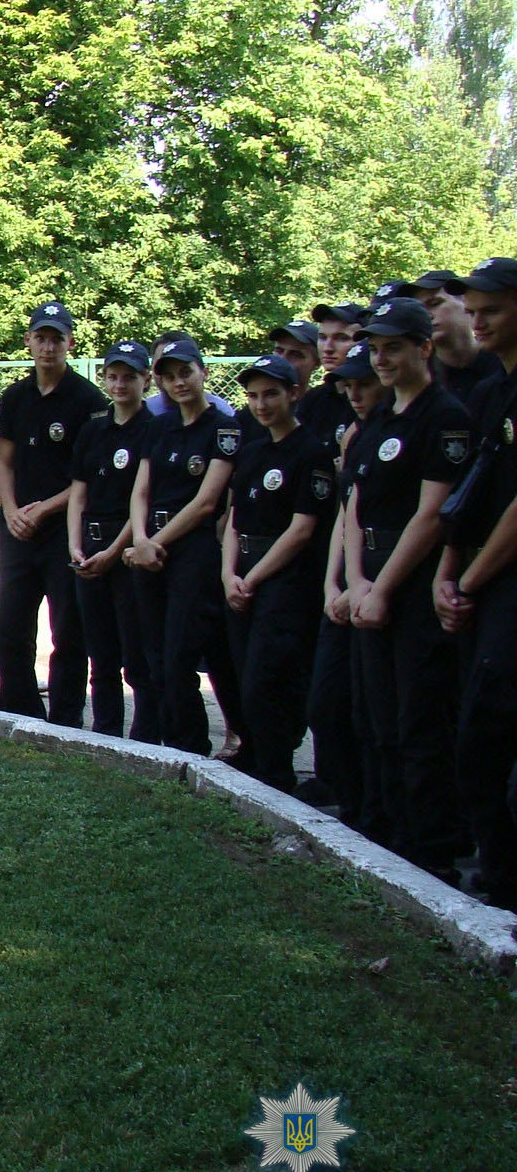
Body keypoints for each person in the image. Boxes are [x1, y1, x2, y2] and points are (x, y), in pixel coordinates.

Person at [340, 296, 473, 871]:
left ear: (424, 348)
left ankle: (433, 853)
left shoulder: (444, 417)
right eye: (376, 348)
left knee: (421, 725)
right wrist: (355, 580)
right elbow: (356, 509)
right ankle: (391, 838)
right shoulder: (377, 423)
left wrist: (381, 588)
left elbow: (432, 514)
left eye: (395, 347)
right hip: (370, 583)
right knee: (378, 722)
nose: (383, 359)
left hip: (414, 588)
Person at [437, 258, 517, 906]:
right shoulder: (492, 393)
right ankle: (495, 872)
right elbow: (470, 496)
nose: (477, 318)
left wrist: (466, 578)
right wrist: (450, 572)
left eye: (491, 307)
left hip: (501, 586)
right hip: (481, 584)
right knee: (477, 731)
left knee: (490, 734)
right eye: (473, 307)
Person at [220, 355, 332, 792]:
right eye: (253, 396)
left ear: (294, 394)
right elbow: (234, 520)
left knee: (268, 682)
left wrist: (253, 577)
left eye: (271, 394)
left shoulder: (311, 451)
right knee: (244, 677)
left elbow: (302, 528)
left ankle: (277, 775)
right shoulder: (251, 452)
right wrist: (230, 573)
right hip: (241, 575)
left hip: (282, 580)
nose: (261, 404)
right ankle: (262, 767)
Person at [0, 304, 106, 724]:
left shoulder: (87, 399)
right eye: (41, 337)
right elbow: (4, 460)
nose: (48, 346)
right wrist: (12, 509)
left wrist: (44, 510)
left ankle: (66, 719)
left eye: (57, 338)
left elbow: (87, 476)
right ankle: (19, 710)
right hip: (18, 529)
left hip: (62, 528)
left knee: (68, 630)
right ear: (29, 341)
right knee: (7, 626)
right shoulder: (16, 396)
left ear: (70, 343)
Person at [125, 336, 238, 754]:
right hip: (149, 550)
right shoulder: (157, 426)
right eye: (169, 376)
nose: (179, 383)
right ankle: (168, 747)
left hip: (192, 550)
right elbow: (141, 490)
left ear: (203, 371)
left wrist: (154, 542)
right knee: (153, 658)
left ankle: (190, 747)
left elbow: (207, 501)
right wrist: (139, 540)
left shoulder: (223, 428)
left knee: (180, 655)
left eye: (185, 372)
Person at [303, 339, 381, 821]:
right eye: (348, 385)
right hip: (347, 586)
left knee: (379, 715)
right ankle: (355, 807)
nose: (354, 393)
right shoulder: (353, 436)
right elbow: (346, 514)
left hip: (383, 585)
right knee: (327, 705)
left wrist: (366, 584)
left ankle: (380, 815)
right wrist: (336, 584)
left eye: (363, 384)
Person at [68, 341, 157, 740]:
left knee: (135, 653)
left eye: (130, 377)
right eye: (113, 376)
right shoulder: (93, 429)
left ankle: (143, 737)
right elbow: (78, 493)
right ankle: (105, 732)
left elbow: (143, 499)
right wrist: (75, 545)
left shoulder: (153, 431)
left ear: (146, 380)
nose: (120, 384)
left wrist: (113, 551)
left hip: (125, 550)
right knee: (99, 652)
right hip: (89, 546)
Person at [419, 270, 507, 408]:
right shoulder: (419, 379)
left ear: (465, 304)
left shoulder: (505, 361)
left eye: (435, 303)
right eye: (419, 310)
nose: (426, 316)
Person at [295, 301, 366, 460]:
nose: (328, 347)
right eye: (322, 337)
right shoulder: (313, 400)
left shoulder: (376, 397)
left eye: (341, 338)